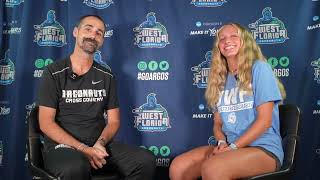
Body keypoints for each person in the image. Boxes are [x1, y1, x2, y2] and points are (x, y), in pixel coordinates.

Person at [37, 15, 156, 180]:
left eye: (99, 33)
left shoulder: (107, 76)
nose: (93, 35)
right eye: (88, 29)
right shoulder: (53, 72)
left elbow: (114, 121)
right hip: (62, 147)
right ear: (75, 32)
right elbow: (45, 123)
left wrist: (99, 143)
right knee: (75, 166)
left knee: (145, 160)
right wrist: (83, 149)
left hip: (98, 145)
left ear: (102, 41)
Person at [169, 22, 286, 180]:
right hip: (230, 148)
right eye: (222, 39)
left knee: (213, 168)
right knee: (179, 167)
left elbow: (264, 121)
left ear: (245, 40)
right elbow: (218, 124)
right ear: (218, 46)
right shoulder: (220, 79)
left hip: (263, 148)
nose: (227, 41)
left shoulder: (259, 68)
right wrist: (222, 143)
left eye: (233, 36)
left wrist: (233, 147)